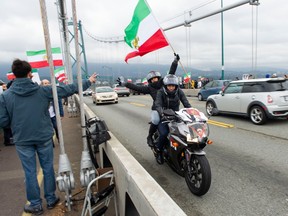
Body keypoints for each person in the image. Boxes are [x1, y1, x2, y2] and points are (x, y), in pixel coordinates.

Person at [0, 59, 97, 215]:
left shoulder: (6, 96)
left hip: (22, 139)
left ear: (13, 75)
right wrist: (88, 82)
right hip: (43, 136)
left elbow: (3, 121)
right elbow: (67, 89)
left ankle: (35, 204)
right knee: (48, 168)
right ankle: (51, 199)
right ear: (30, 73)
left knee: (30, 172)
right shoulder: (42, 91)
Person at [117, 53, 180, 146]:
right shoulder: (149, 88)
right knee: (155, 120)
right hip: (156, 109)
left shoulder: (164, 83)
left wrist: (175, 62)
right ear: (150, 81)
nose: (155, 80)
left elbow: (171, 73)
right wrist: (125, 83)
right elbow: (136, 87)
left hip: (170, 107)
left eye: (156, 78)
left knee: (180, 121)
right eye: (152, 79)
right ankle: (150, 136)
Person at [154, 74, 191, 164]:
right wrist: (162, 112)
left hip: (176, 116)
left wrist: (191, 111)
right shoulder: (161, 92)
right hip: (164, 116)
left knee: (183, 133)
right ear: (166, 86)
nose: (171, 88)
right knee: (164, 133)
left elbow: (186, 103)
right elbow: (157, 105)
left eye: (173, 86)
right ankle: (158, 151)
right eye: (169, 86)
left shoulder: (179, 92)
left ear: (176, 86)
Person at [41, 79, 64, 147]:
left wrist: (61, 114)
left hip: (54, 115)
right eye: (45, 83)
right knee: (48, 130)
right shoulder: (40, 94)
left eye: (48, 83)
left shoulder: (54, 93)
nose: (47, 84)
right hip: (46, 116)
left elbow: (60, 104)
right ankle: (51, 143)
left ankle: (59, 139)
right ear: (42, 85)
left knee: (57, 127)